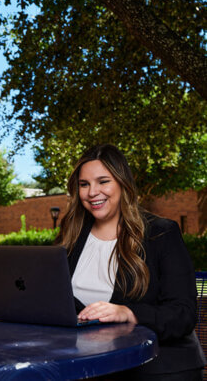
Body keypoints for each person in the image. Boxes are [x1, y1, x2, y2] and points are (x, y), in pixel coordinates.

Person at [55, 144, 206, 381]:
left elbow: (183, 315)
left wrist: (128, 313)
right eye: (84, 184)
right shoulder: (71, 234)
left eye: (103, 181)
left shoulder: (161, 233)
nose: (92, 192)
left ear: (122, 183)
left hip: (158, 367)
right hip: (92, 364)